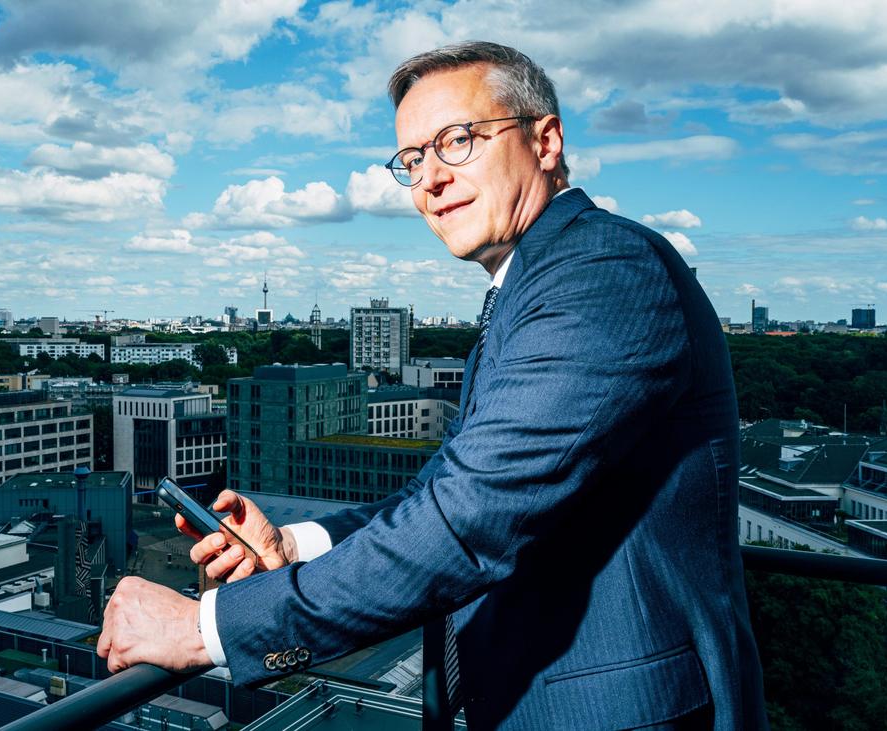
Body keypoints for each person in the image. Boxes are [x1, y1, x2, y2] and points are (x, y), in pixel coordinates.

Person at [98, 41, 768, 730]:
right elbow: (437, 495)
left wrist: (201, 629)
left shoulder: (602, 271)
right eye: (413, 159)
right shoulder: (535, 285)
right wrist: (295, 547)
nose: (431, 179)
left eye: (457, 140)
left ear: (545, 141)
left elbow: (467, 519)